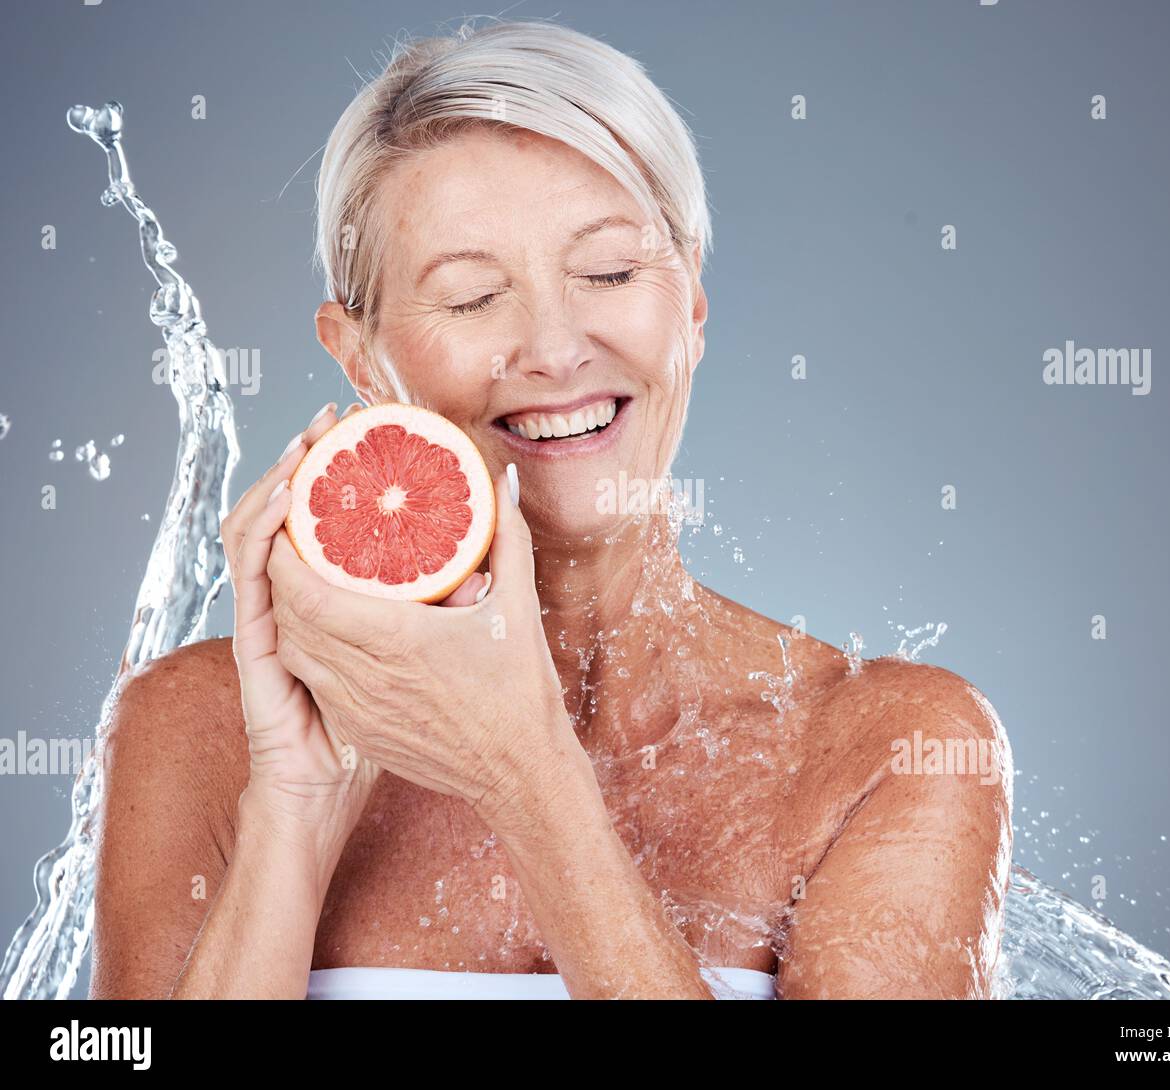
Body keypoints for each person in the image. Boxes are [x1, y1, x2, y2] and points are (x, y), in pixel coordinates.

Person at [90, 18, 1011, 1000]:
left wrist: (527, 776)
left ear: (690, 305)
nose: (555, 347)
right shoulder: (198, 730)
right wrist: (295, 805)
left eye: (609, 273)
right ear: (359, 358)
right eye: (473, 294)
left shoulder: (888, 747)